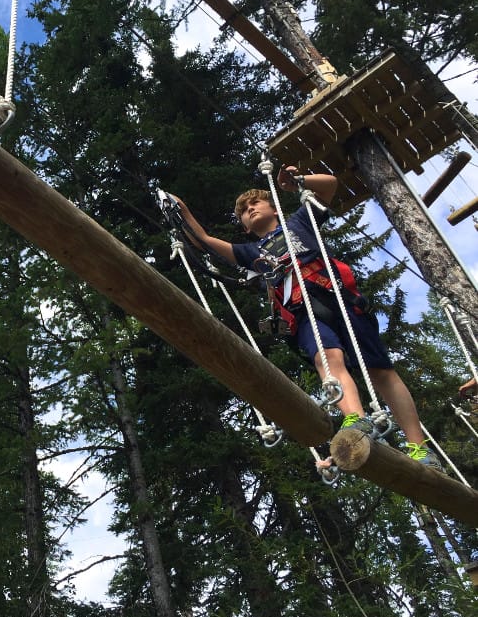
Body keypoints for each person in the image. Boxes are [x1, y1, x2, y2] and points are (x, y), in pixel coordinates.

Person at [172, 166, 443, 470]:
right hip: (301, 314)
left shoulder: (299, 222)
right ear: (246, 227)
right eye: (245, 212)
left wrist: (297, 181)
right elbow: (204, 241)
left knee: (380, 371)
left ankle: (419, 447)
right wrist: (181, 210)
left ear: (273, 207)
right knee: (326, 359)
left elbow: (330, 185)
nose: (250, 209)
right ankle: (356, 419)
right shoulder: (250, 251)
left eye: (255, 204)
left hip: (337, 297)